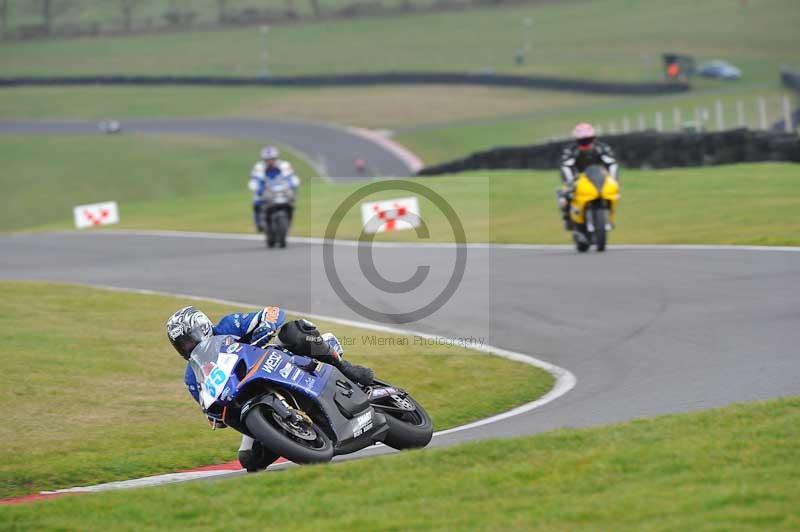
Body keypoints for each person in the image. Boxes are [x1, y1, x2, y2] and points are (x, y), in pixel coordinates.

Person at [165, 306, 374, 472]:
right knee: (249, 460)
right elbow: (210, 406)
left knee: (294, 331)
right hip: (249, 398)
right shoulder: (191, 376)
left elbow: (273, 312)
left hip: (277, 363)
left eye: (188, 340)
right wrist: (215, 415)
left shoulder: (229, 325)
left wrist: (266, 325)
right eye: (181, 345)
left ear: (202, 328)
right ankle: (293, 435)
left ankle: (346, 369)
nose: (187, 347)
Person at [557, 123, 619, 229]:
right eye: (582, 141)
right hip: (578, 178)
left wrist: (613, 179)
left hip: (599, 177)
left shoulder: (602, 148)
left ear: (593, 138)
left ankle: (609, 217)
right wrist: (569, 182)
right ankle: (568, 218)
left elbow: (612, 163)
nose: (585, 143)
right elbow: (565, 166)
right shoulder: (571, 150)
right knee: (564, 195)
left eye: (588, 140)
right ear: (577, 140)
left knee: (613, 193)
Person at [249, 146, 300, 233]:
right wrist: (257, 188)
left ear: (276, 158)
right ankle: (259, 223)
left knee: (291, 202)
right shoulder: (259, 167)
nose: (270, 161)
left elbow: (292, 177)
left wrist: (293, 185)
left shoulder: (285, 165)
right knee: (256, 203)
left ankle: (289, 221)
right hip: (266, 192)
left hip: (281, 191)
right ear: (264, 159)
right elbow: (254, 180)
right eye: (268, 159)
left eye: (272, 159)